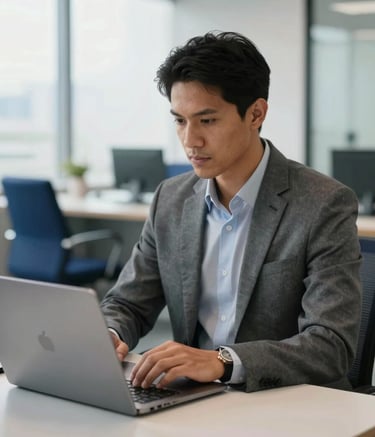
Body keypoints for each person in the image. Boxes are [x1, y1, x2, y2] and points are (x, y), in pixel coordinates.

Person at [100, 31, 362, 393]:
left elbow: (331, 345)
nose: (190, 140)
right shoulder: (170, 199)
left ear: (255, 114)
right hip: (192, 398)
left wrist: (223, 362)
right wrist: (109, 334)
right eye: (179, 120)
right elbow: (128, 302)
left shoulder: (323, 203)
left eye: (207, 121)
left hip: (287, 403)